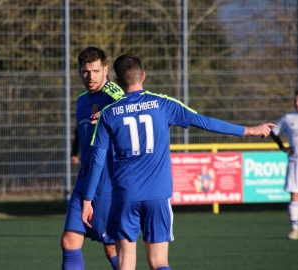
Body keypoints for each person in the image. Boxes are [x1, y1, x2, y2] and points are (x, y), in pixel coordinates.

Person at [81, 53, 275, 270]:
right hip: (158, 195)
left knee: (126, 262)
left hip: (125, 195)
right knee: (159, 262)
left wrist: (88, 200)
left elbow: (97, 162)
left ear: (117, 81)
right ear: (143, 75)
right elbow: (203, 121)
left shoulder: (108, 114)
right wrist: (249, 130)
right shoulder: (163, 104)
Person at [61, 46, 124, 269]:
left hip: (108, 182)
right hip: (84, 180)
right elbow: (80, 131)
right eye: (86, 71)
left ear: (105, 70)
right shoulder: (81, 100)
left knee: (111, 248)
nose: (91, 76)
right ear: (79, 71)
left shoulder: (117, 97)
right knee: (69, 242)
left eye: (96, 71)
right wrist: (75, 152)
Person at [270, 90, 298, 240]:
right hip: (295, 161)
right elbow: (274, 132)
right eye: (295, 100)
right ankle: (295, 228)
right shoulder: (289, 118)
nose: (297, 103)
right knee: (294, 194)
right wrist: (282, 147)